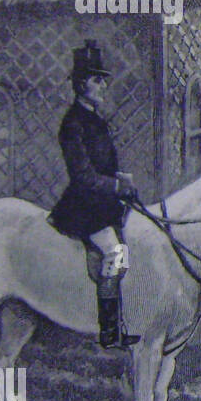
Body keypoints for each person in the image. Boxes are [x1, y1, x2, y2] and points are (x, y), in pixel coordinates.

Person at [47, 40, 141, 348]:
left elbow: (103, 164)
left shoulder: (95, 119)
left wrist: (120, 178)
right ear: (81, 84)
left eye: (103, 80)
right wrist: (116, 186)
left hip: (103, 202)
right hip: (83, 206)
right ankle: (109, 332)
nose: (103, 86)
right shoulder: (72, 124)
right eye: (97, 80)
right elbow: (83, 176)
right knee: (114, 253)